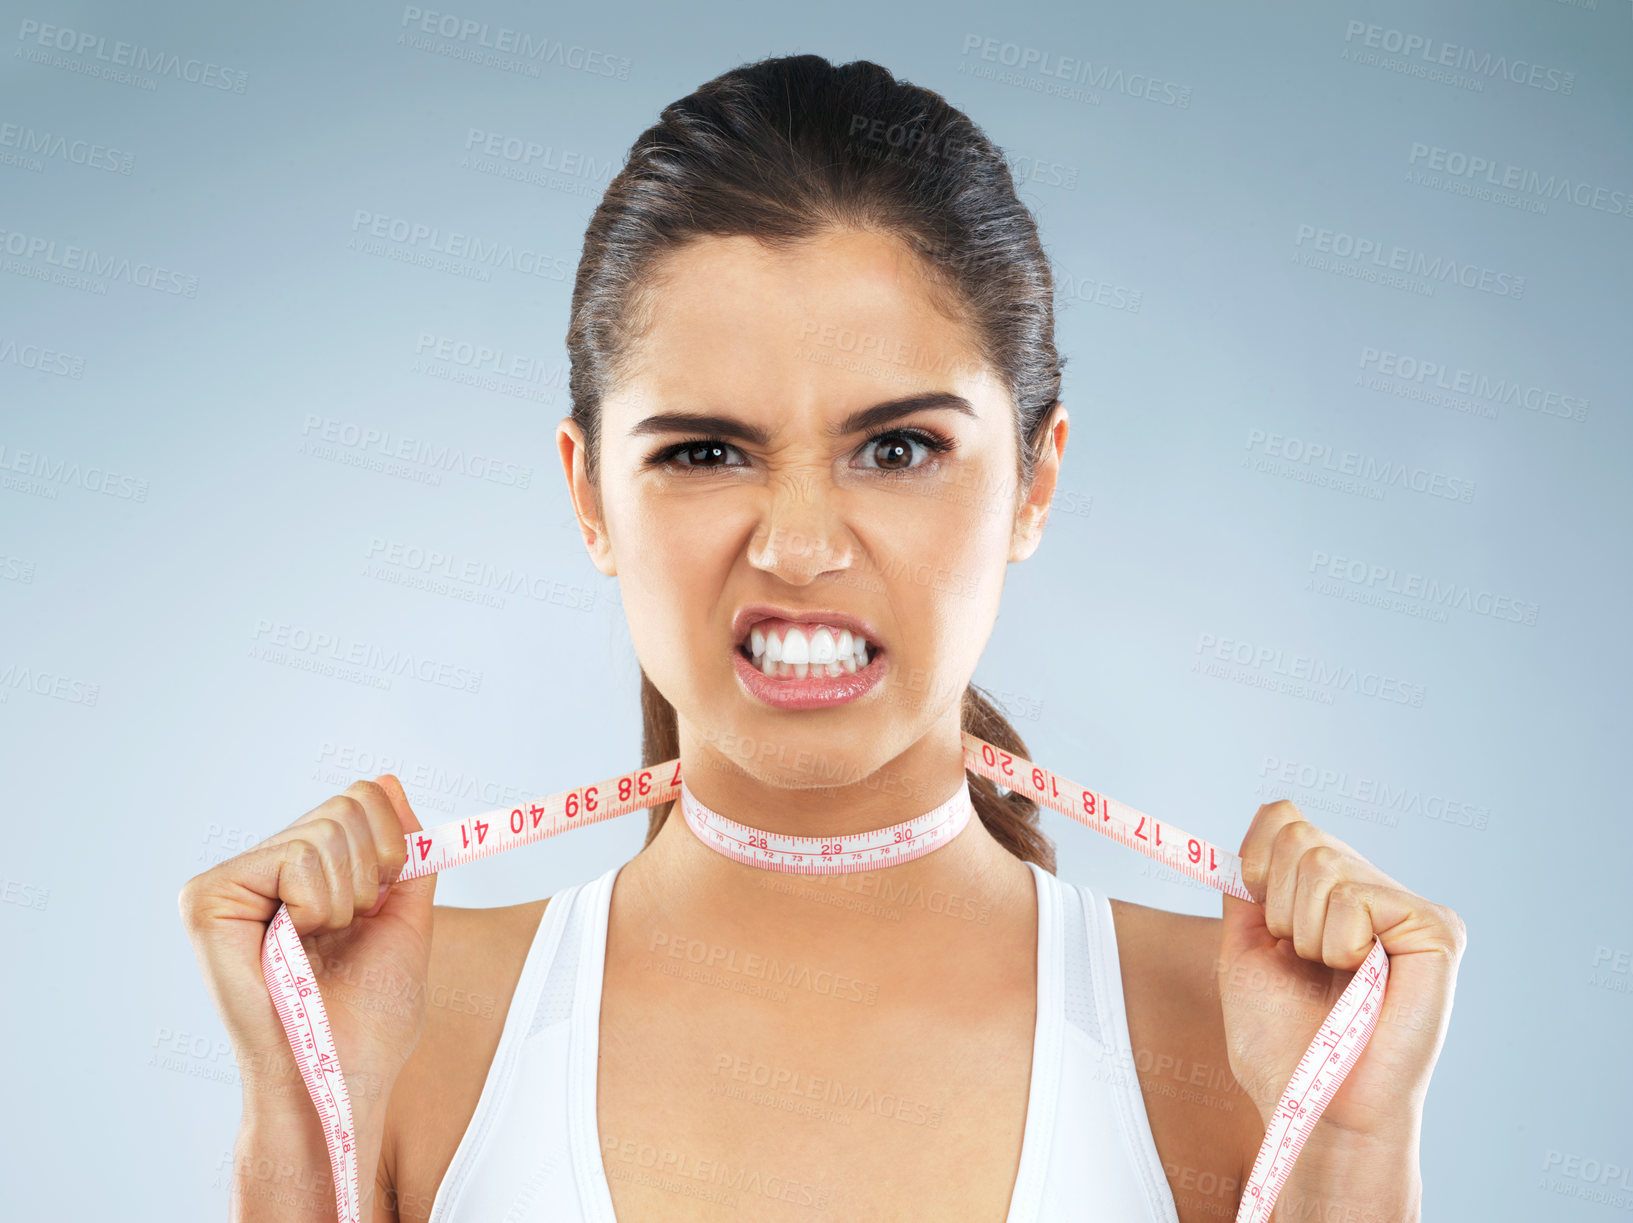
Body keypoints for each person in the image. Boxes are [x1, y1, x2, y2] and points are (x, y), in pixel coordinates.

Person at [178, 53, 1467, 1222]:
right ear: (588, 496)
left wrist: (1347, 1154)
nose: (799, 547)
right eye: (704, 450)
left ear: (1034, 480)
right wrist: (297, 1128)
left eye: (898, 448)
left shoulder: (1242, 1045)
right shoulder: (404, 1028)